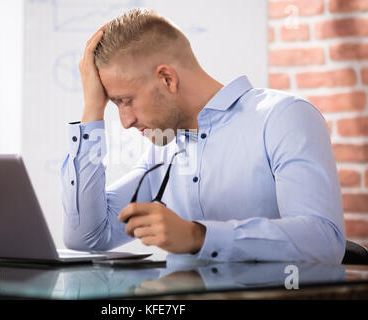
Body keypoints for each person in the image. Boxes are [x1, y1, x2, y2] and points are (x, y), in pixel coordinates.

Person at [61, 9, 345, 263]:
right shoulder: (161, 151)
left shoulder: (283, 118)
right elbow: (87, 237)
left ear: (167, 79)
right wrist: (91, 110)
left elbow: (324, 240)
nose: (125, 122)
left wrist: (199, 236)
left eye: (125, 101)